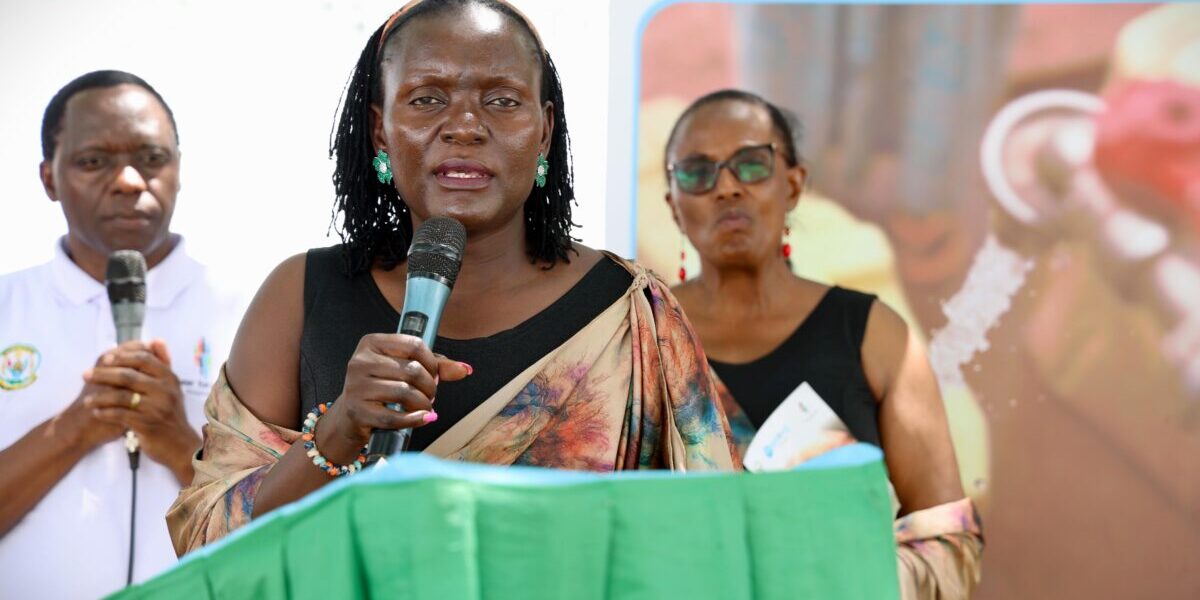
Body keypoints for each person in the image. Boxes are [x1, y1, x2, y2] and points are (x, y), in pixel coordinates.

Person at [167, 0, 737, 555]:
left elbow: (717, 531)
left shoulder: (631, 311)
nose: (465, 126)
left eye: (502, 100)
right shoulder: (300, 294)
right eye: (427, 98)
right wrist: (339, 429)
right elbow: (208, 540)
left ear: (544, 131)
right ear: (380, 131)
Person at [663, 90, 983, 598]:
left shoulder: (875, 335)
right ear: (674, 205)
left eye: (750, 165)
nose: (726, 188)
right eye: (698, 173)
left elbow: (948, 541)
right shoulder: (640, 335)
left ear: (793, 185)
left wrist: (842, 577)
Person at [0, 70, 243, 598]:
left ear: (178, 170)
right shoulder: (6, 307)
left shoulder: (249, 312)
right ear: (48, 179)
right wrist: (76, 429)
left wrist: (180, 441)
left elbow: (285, 517)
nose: (130, 181)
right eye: (94, 162)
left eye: (152, 159)